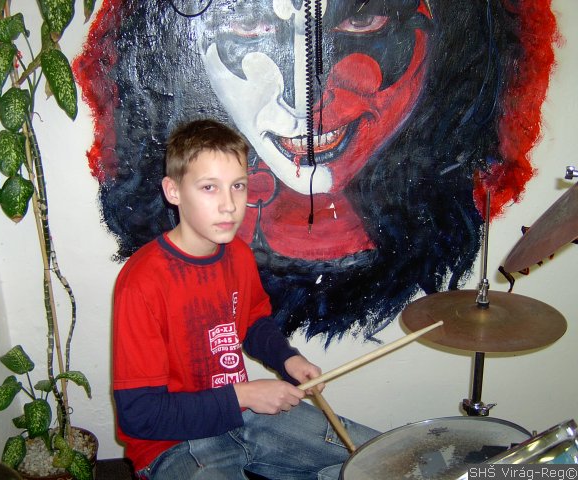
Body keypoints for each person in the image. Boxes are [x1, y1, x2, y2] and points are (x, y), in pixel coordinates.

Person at [76, 0, 557, 345]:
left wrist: (284, 362)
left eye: (362, 19)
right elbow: (146, 407)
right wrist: (248, 394)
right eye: (250, 26)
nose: (303, 103)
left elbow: (250, 331)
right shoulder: (148, 280)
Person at [112, 119, 379, 479]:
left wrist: (286, 359)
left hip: (241, 416)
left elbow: (252, 320)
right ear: (173, 191)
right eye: (209, 187)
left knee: (380, 459)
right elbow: (140, 415)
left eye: (237, 186)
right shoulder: (141, 282)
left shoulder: (237, 253)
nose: (229, 205)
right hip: (172, 444)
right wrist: (244, 396)